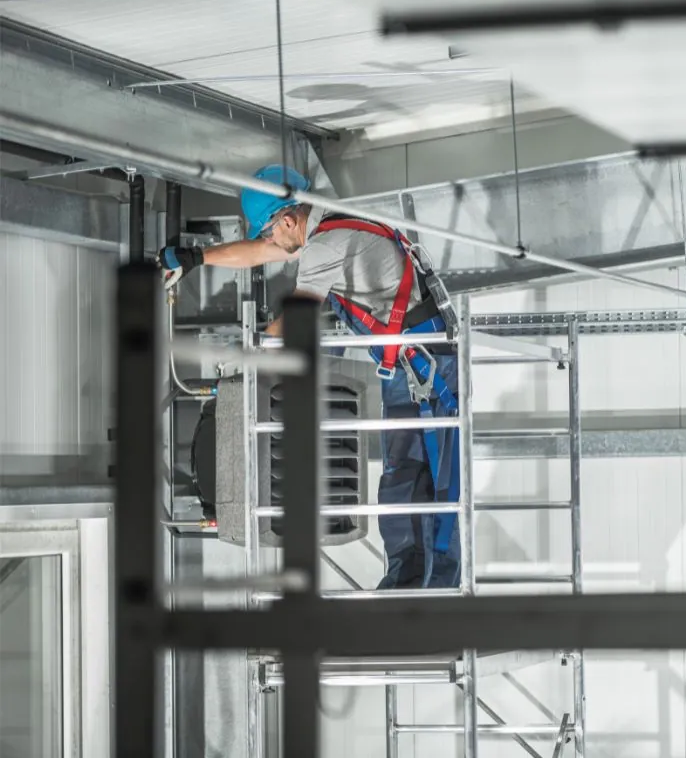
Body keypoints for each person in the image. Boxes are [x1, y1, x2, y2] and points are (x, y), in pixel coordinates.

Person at [159, 164, 461, 590]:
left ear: (287, 220)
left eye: (268, 232)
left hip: (428, 367)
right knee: (408, 474)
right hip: (415, 365)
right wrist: (196, 258)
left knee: (429, 478)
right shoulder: (325, 227)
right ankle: (410, 585)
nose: (268, 243)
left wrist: (244, 359)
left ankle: (431, 593)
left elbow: (296, 320)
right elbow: (258, 252)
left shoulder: (326, 244)